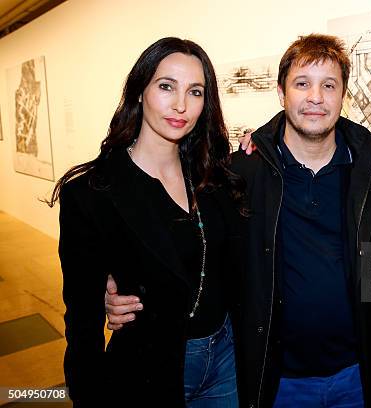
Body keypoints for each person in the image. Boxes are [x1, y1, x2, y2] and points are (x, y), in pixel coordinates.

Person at [106, 33, 371, 408]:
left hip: (357, 374)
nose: (316, 98)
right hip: (276, 380)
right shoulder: (242, 171)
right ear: (281, 92)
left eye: (329, 85)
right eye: (302, 84)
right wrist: (124, 286)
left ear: (343, 95)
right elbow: (193, 246)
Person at [49, 37, 246, 407]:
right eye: (166, 86)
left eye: (196, 92)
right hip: (150, 368)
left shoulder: (213, 177)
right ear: (140, 90)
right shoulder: (93, 193)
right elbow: (82, 323)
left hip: (224, 360)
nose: (181, 105)